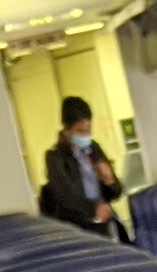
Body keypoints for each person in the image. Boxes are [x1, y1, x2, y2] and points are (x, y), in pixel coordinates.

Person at [42, 94, 122, 234]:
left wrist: (110, 180)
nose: (85, 136)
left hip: (104, 224)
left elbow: (116, 191)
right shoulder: (55, 158)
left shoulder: (94, 149)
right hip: (78, 228)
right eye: (80, 131)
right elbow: (66, 197)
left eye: (88, 131)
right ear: (66, 130)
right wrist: (94, 210)